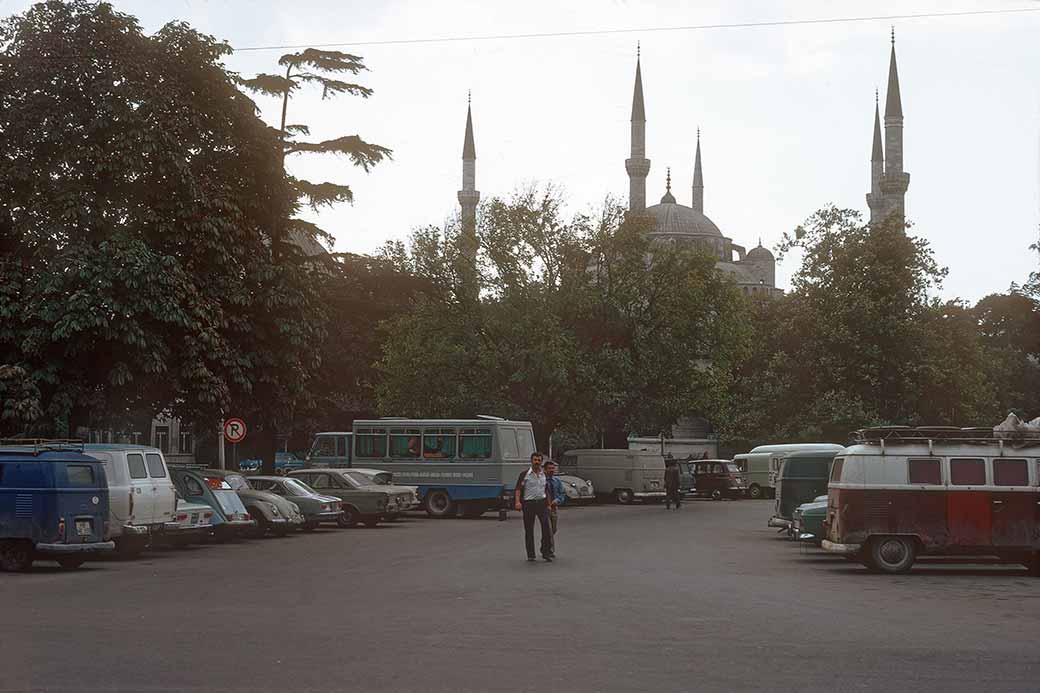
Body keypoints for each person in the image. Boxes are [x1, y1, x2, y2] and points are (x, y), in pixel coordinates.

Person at [513, 452, 553, 562]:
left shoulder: (544, 474)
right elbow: (518, 489)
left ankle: (546, 552)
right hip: (528, 503)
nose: (537, 462)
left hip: (542, 503)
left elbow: (546, 490)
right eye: (535, 460)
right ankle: (531, 554)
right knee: (529, 529)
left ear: (541, 462)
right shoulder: (525, 474)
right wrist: (517, 502)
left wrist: (549, 505)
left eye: (539, 460)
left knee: (546, 528)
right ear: (531, 461)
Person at [544, 459, 566, 555]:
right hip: (544, 508)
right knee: (548, 529)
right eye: (549, 468)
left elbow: (562, 493)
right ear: (545, 469)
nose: (552, 470)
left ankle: (544, 544)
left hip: (554, 508)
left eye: (553, 468)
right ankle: (550, 550)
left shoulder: (557, 481)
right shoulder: (542, 480)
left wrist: (558, 500)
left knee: (553, 529)